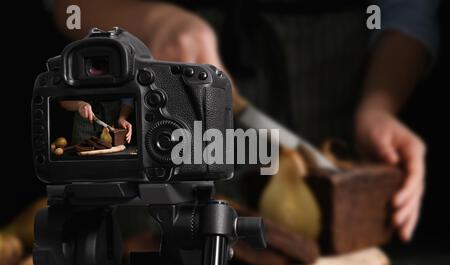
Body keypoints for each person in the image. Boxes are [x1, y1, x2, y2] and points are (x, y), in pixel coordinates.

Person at [53, 0, 440, 242]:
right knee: (155, 255)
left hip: (330, 85)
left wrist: (378, 106)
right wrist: (153, 22)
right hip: (159, 76)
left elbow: (409, 7)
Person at [59, 98, 133, 144]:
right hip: (83, 126)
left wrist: (122, 118)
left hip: (114, 122)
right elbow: (62, 98)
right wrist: (79, 105)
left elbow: (128, 99)